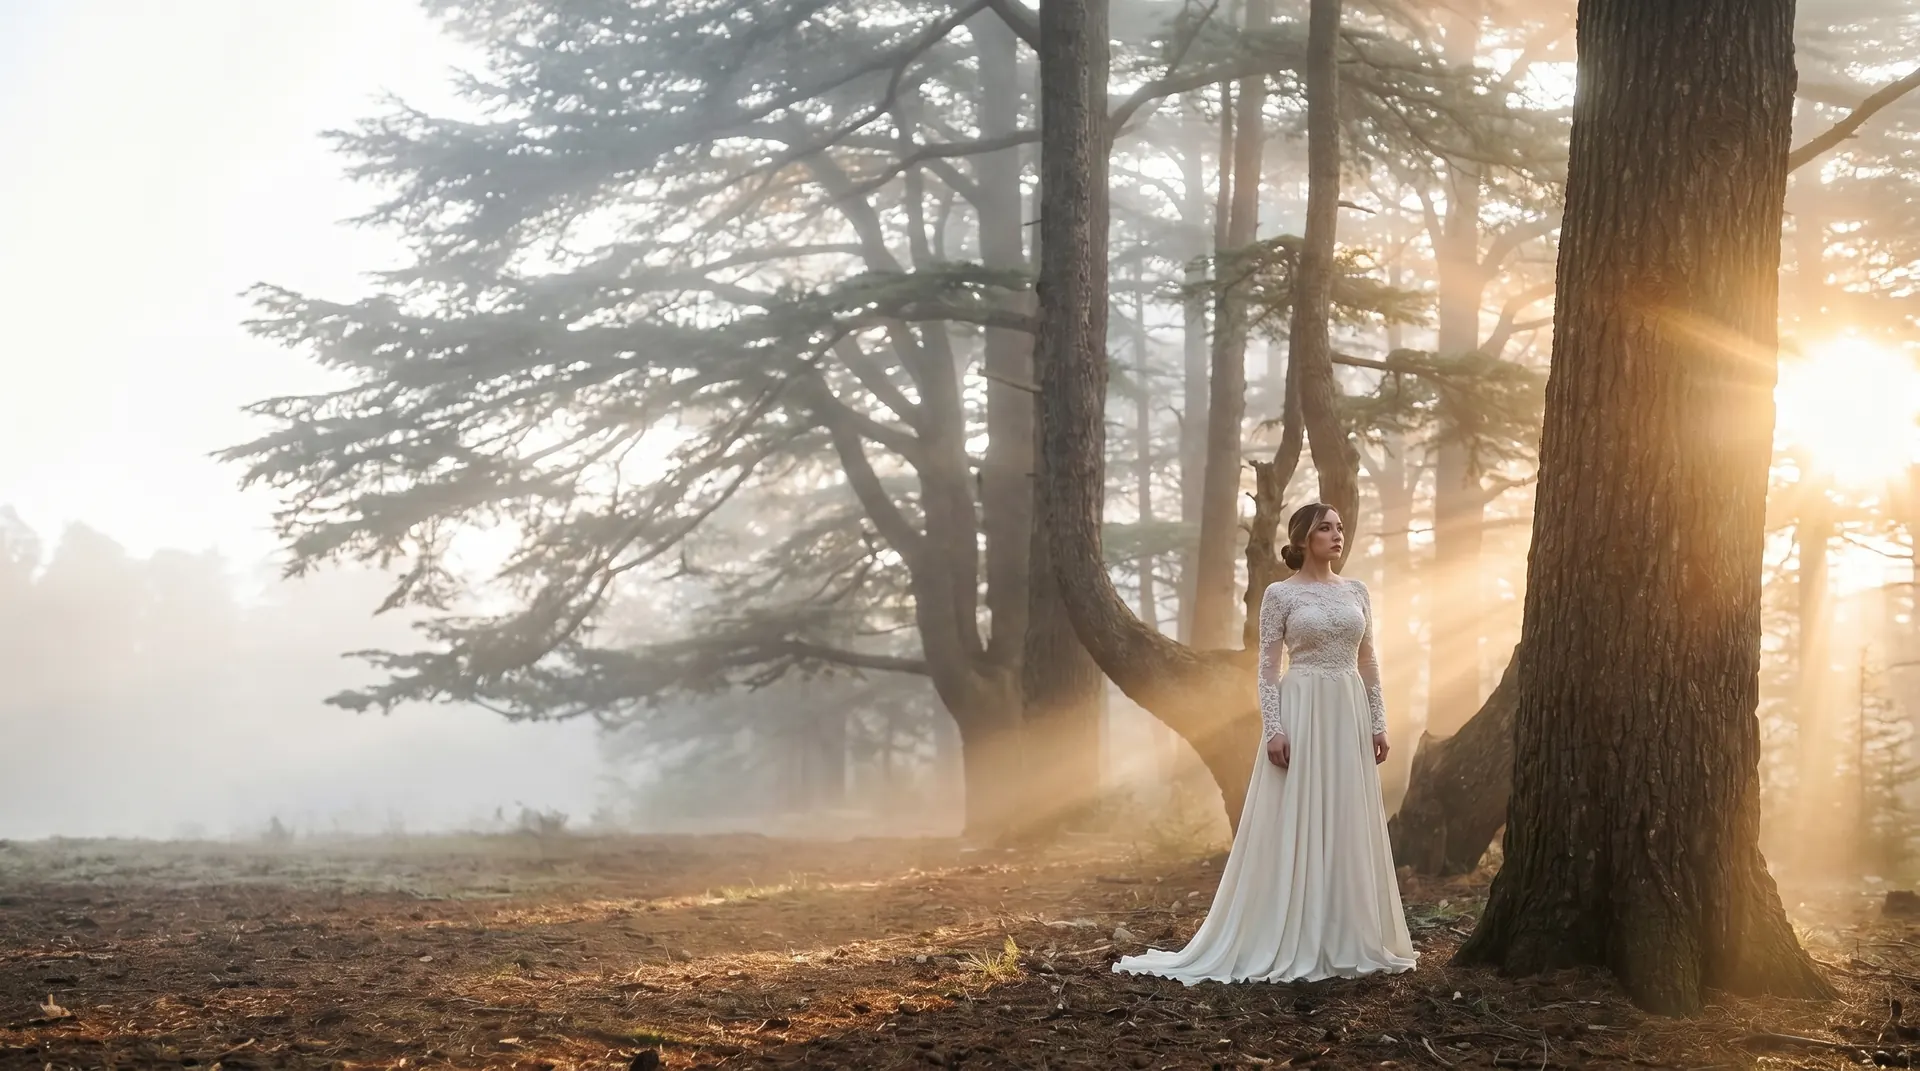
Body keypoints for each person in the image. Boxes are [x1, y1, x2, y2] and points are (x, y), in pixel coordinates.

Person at [1113, 502, 1417, 984]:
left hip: (1348, 710)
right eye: (1325, 528)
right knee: (1298, 813)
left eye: (1340, 528)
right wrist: (1274, 728)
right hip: (1303, 707)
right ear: (1301, 539)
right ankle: (1292, 927)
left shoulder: (1356, 590)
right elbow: (1267, 668)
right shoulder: (1279, 594)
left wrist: (1379, 721)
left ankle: (1346, 929)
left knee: (1345, 813)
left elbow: (1370, 660)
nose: (1337, 535)